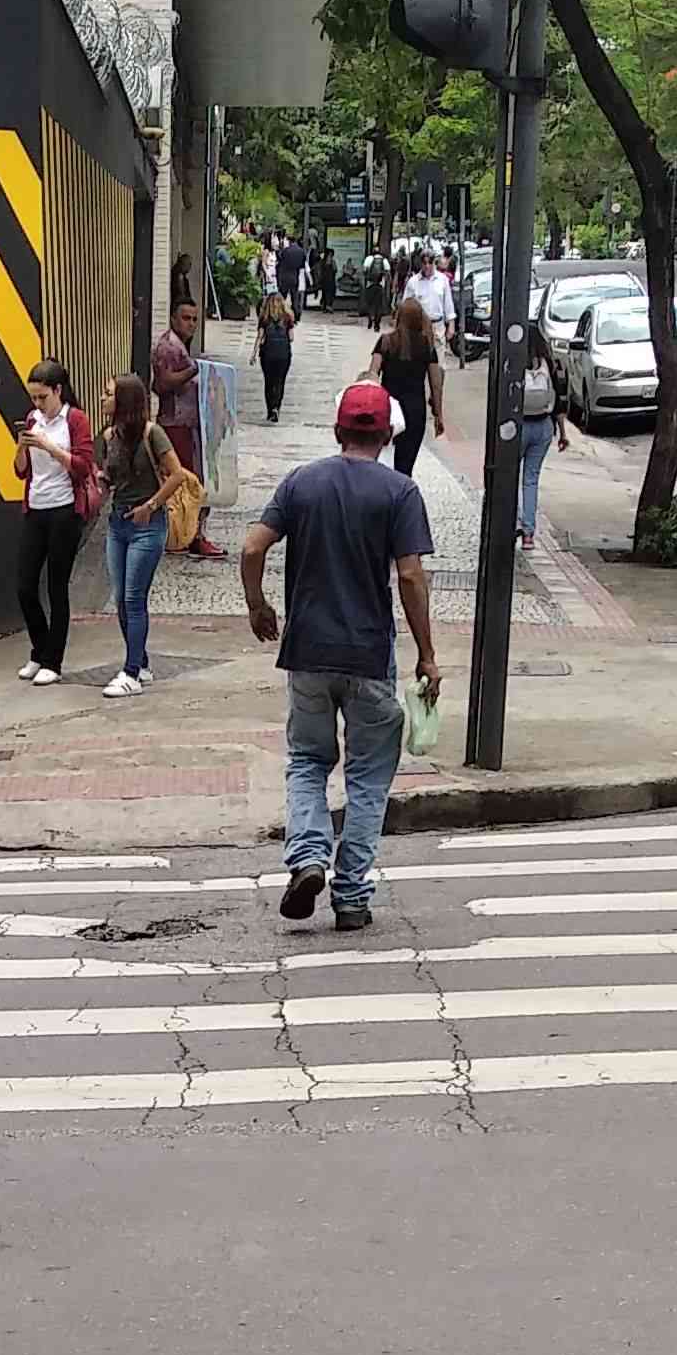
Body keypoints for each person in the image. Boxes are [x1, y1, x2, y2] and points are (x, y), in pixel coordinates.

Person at [240, 374, 441, 935]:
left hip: (306, 651)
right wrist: (427, 653)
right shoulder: (400, 493)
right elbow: (410, 575)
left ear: (336, 430)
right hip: (369, 656)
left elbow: (252, 546)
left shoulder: (302, 482)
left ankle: (308, 857)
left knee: (308, 761)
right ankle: (351, 897)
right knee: (368, 779)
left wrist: (257, 605)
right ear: (388, 435)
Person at [95, 368, 184, 694]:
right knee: (121, 598)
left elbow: (177, 474)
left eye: (109, 394)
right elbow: (110, 477)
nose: (103, 398)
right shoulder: (108, 436)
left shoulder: (152, 433)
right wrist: (101, 482)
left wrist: (152, 504)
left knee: (134, 598)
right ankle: (141, 662)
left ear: (125, 400)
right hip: (118, 523)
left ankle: (131, 673)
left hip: (147, 526)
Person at [8, 357, 91, 681]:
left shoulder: (76, 420)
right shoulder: (33, 420)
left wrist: (49, 447)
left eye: (43, 397)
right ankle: (39, 650)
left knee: (57, 587)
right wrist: (22, 447)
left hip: (64, 510)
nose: (38, 404)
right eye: (33, 398)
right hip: (36, 507)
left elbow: (83, 466)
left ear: (58, 390)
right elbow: (21, 471)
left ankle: (53, 662)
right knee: (25, 586)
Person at [154, 300, 223, 554]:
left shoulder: (179, 345)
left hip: (186, 422)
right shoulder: (168, 346)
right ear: (173, 319)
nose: (191, 324)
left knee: (189, 479)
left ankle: (187, 532)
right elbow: (163, 383)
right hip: (176, 423)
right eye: (186, 318)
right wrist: (194, 370)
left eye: (194, 319)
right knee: (188, 480)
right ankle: (191, 535)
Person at [514, 303, 569, 546]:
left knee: (512, 476)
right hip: (543, 426)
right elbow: (559, 401)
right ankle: (529, 533)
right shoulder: (548, 363)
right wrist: (563, 433)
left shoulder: (514, 363)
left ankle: (514, 522)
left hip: (518, 426)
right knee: (531, 479)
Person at [373, 293, 443, 475]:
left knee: (382, 463)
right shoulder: (427, 346)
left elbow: (372, 374)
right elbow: (436, 384)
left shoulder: (386, 342)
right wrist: (438, 414)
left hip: (389, 410)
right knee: (405, 467)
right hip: (415, 411)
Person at [255, 282, 295, 424]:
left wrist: (253, 354)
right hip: (283, 354)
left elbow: (260, 337)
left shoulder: (264, 318)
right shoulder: (288, 318)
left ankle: (270, 409)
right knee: (280, 381)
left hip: (268, 353)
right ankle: (276, 407)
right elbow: (291, 338)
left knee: (269, 381)